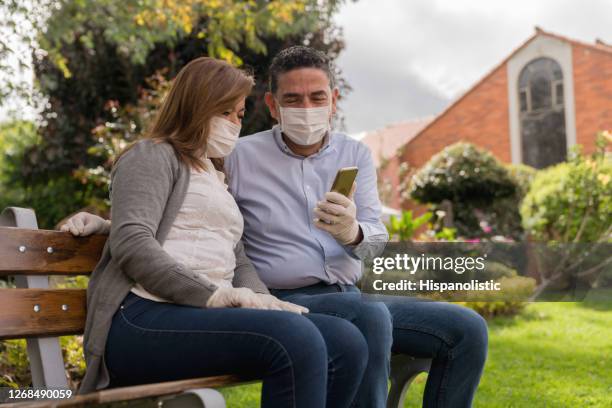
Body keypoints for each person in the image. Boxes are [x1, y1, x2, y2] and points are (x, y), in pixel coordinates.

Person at [66, 47, 488, 408]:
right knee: (350, 321)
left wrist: (352, 233)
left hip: (337, 291)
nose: (234, 123)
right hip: (175, 306)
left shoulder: (347, 155)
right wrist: (111, 225)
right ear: (273, 105)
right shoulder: (216, 157)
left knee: (460, 329)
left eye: (317, 97)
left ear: (334, 99)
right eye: (228, 113)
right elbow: (144, 230)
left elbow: (217, 238)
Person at [71, 56, 370, 408]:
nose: (234, 123)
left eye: (239, 115)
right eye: (224, 111)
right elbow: (133, 242)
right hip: (141, 317)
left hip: (198, 314)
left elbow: (237, 258)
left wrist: (263, 299)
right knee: (296, 338)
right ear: (196, 105)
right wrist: (214, 295)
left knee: (346, 341)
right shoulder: (151, 155)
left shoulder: (215, 176)